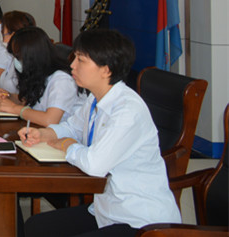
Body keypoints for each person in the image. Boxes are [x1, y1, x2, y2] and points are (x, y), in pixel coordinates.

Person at [20, 29, 181, 237]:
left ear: (106, 70)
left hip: (139, 220)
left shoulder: (127, 111)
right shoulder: (96, 98)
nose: (72, 65)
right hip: (106, 211)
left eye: (81, 60)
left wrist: (67, 145)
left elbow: (94, 165)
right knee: (36, 227)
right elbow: (73, 127)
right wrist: (45, 134)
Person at [0, 26, 79, 126]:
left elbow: (50, 120)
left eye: (18, 57)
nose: (16, 61)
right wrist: (9, 96)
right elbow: (28, 102)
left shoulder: (62, 80)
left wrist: (15, 109)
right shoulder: (38, 73)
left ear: (32, 57)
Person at [0, 10, 36, 95]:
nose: (1, 38)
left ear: (13, 35)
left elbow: (24, 98)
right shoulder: (13, 57)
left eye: (3, 34)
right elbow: (8, 88)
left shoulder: (27, 61)